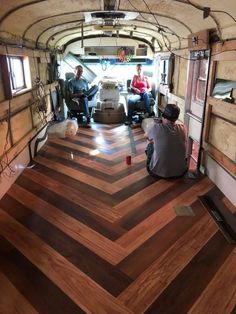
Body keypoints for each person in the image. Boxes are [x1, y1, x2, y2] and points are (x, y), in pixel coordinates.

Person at [145, 103, 187, 178]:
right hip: (181, 172)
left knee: (150, 143)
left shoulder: (156, 128)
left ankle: (156, 164)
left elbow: (146, 136)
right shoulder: (183, 128)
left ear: (163, 116)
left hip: (157, 173)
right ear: (176, 118)